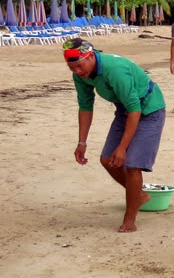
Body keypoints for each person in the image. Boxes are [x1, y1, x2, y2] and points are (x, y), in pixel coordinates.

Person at [64, 37, 166, 233]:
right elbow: (85, 107)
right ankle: (140, 195)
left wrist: (122, 147)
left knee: (133, 164)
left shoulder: (115, 69)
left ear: (91, 56)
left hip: (148, 108)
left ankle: (130, 218)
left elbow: (135, 109)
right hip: (124, 109)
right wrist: (82, 142)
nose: (77, 71)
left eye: (79, 65)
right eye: (71, 68)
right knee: (106, 159)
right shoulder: (80, 75)